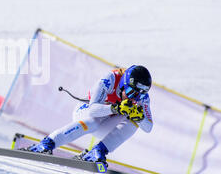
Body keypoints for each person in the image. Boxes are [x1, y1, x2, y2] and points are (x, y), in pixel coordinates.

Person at [24, 65, 153, 166]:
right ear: (123, 84)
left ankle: (97, 151)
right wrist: (115, 108)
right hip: (86, 113)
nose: (133, 97)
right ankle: (47, 143)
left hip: (106, 123)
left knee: (135, 122)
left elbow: (148, 127)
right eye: (131, 92)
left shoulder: (142, 97)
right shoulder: (110, 79)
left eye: (138, 95)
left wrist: (140, 118)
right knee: (93, 122)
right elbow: (93, 110)